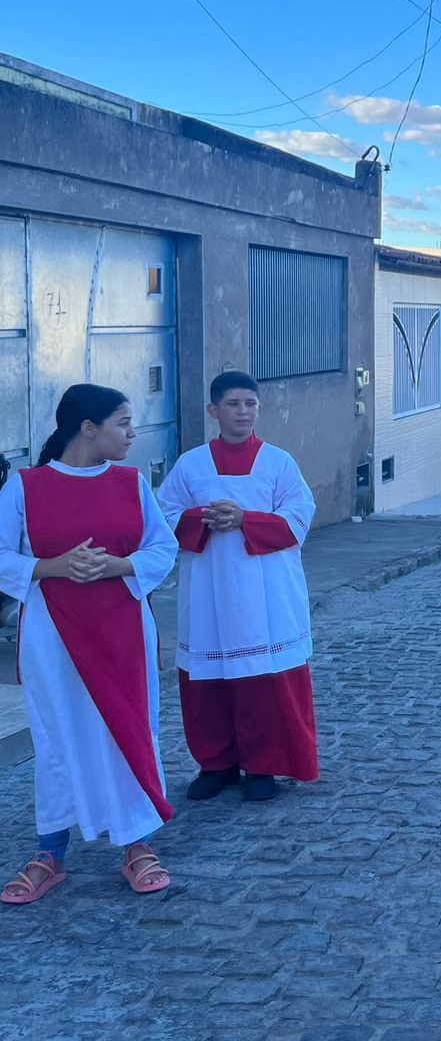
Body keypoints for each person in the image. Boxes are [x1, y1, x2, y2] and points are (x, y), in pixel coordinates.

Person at [1, 384, 178, 904]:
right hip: (53, 634)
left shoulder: (132, 483)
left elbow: (162, 547)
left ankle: (137, 843)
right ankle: (50, 852)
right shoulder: (25, 487)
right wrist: (51, 566)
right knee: (56, 733)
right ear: (88, 428)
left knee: (128, 728)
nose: (132, 433)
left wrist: (120, 565)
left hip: (123, 631)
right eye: (123, 423)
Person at [156, 372, 319, 806]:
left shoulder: (278, 462)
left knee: (263, 681)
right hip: (208, 588)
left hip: (266, 590)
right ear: (214, 410)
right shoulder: (190, 464)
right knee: (207, 680)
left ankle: (262, 765)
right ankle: (217, 764)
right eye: (233, 404)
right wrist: (203, 518)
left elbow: (299, 516)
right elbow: (163, 514)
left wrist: (246, 518)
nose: (243, 412)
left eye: (250, 403)